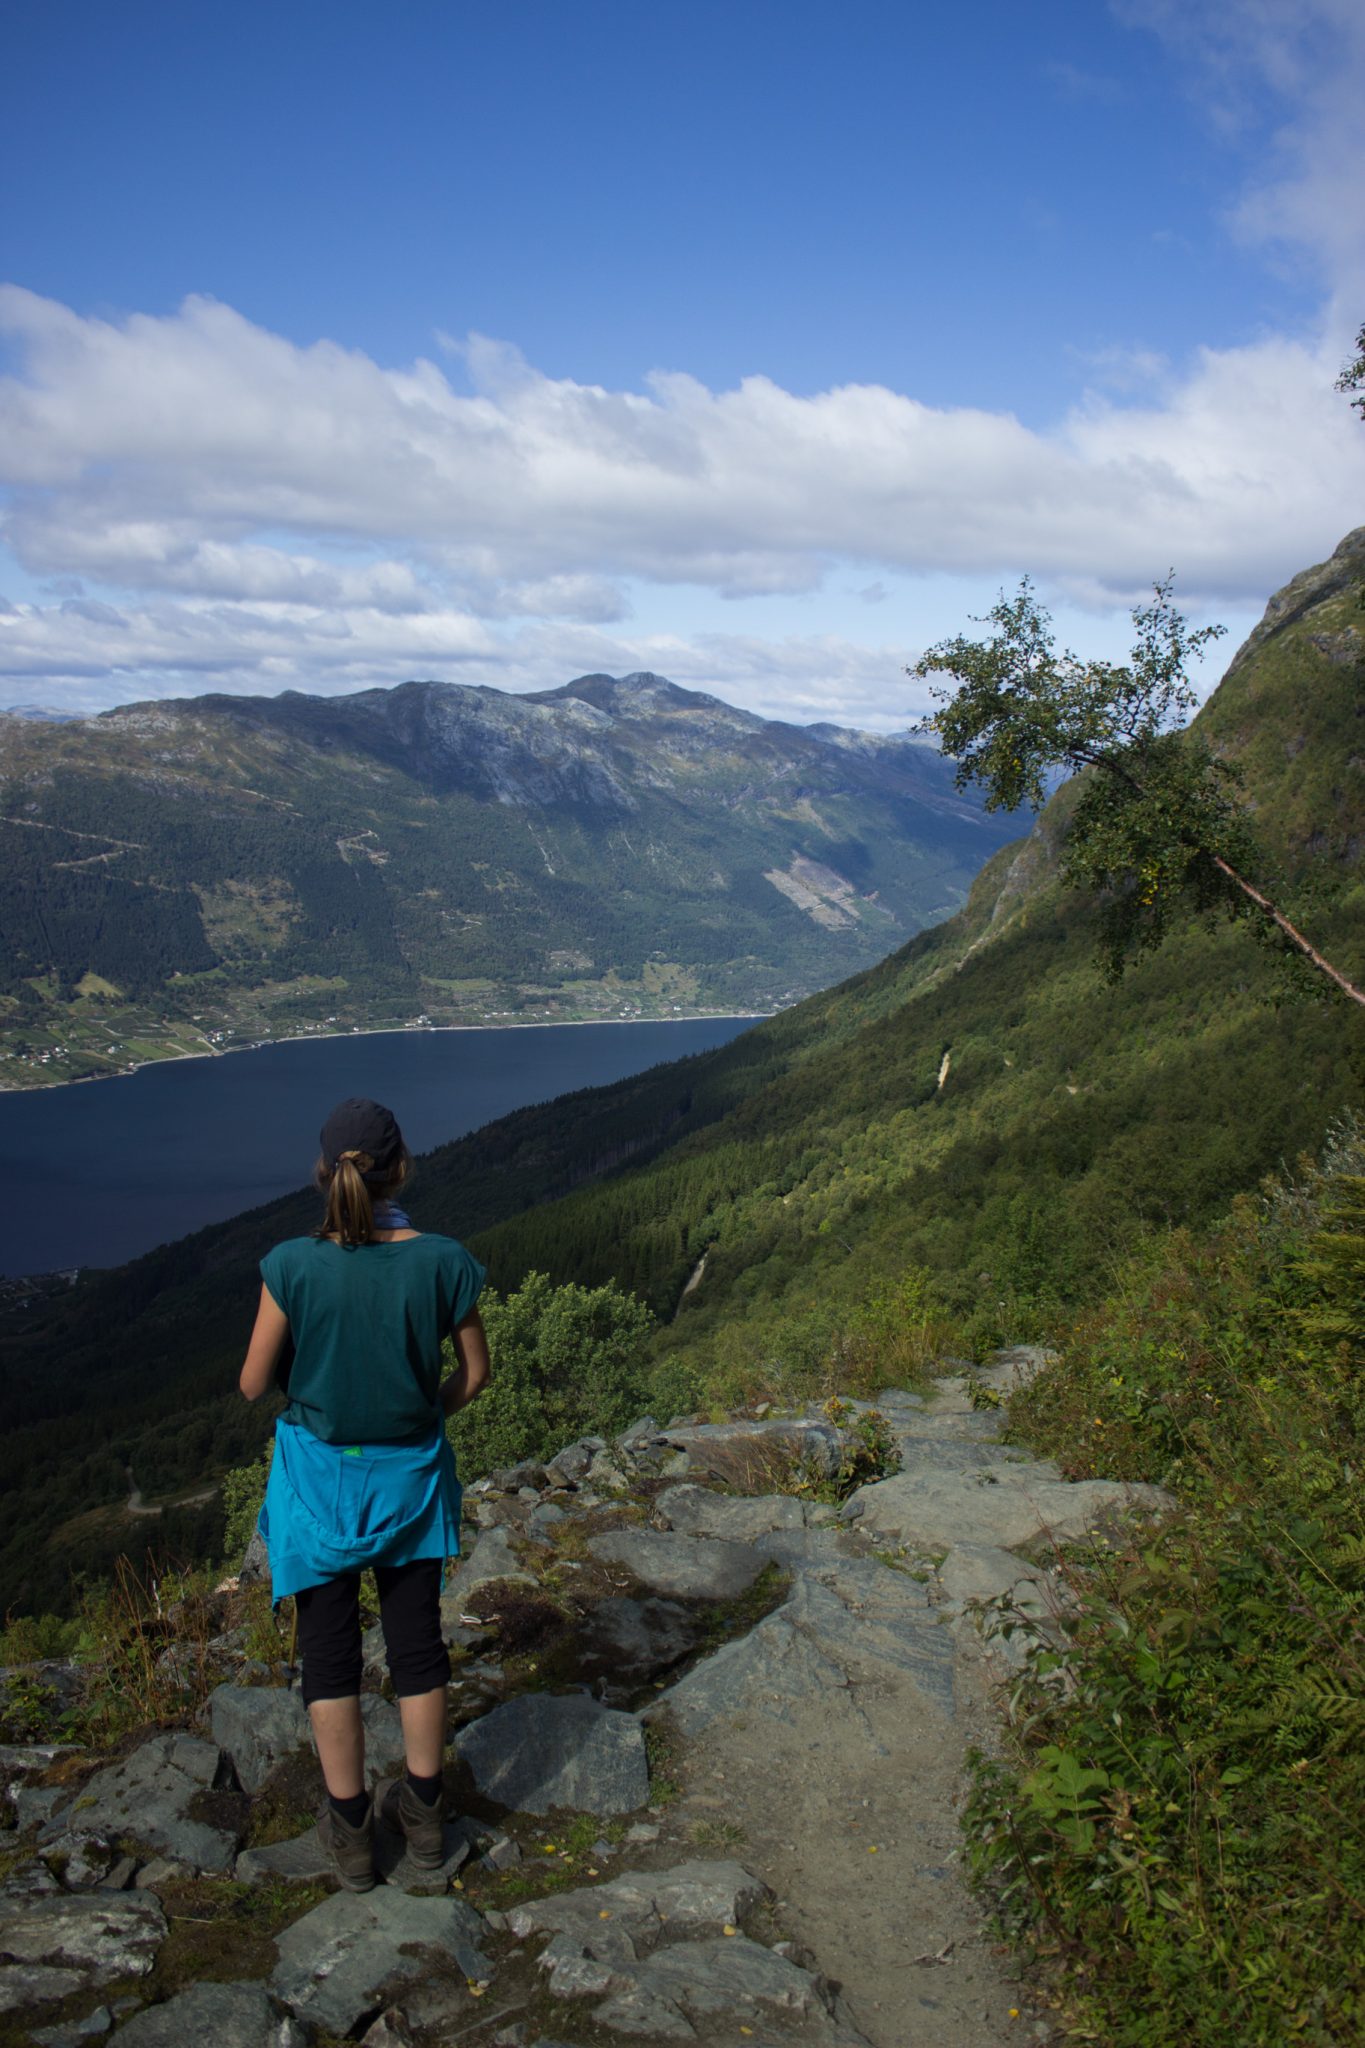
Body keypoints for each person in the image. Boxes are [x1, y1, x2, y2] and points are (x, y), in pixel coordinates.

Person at [238, 1096, 490, 1891]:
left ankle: (348, 1832)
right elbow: (475, 1375)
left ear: (324, 1174)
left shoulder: (290, 1263)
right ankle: (422, 1817)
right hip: (410, 1476)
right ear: (401, 1168)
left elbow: (251, 1385)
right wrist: (421, 1416)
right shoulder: (445, 1260)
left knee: (329, 1655)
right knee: (417, 1645)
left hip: (319, 1482)